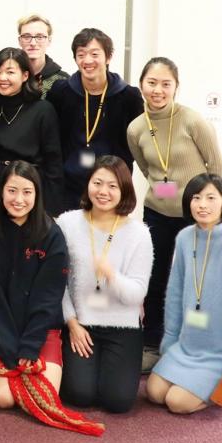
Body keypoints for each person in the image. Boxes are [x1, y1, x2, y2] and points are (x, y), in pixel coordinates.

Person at [127, 57, 222, 370]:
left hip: (195, 216)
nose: (157, 90)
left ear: (175, 87)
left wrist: (201, 203)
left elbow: (216, 169)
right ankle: (152, 344)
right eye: (151, 82)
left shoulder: (193, 121)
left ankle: (193, 344)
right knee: (155, 281)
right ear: (141, 84)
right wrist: (166, 189)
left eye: (165, 84)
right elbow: (147, 170)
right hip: (157, 214)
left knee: (193, 281)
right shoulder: (136, 128)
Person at [148, 174, 222, 415]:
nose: (202, 204)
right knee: (155, 393)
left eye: (211, 198)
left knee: (177, 402)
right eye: (196, 198)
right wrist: (170, 341)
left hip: (220, 352)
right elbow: (175, 294)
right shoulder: (184, 238)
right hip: (188, 345)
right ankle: (194, 379)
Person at [59, 156, 152, 413]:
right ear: (88, 184)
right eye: (97, 183)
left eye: (112, 186)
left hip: (122, 325)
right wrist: (72, 322)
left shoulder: (139, 234)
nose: (103, 191)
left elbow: (136, 294)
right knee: (78, 394)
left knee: (118, 401)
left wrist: (112, 276)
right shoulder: (67, 223)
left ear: (124, 190)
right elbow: (58, 283)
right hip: (81, 324)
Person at [0, 161, 68, 408]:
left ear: (37, 194)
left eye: (27, 192)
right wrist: (8, 347)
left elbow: (49, 297)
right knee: (4, 399)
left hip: (41, 329)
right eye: (12, 190)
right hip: (1, 329)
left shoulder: (52, 234)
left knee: (44, 398)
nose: (19, 199)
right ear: (1, 192)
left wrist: (29, 346)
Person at [46, 28, 144, 214]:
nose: (87, 60)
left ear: (108, 57)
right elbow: (51, 140)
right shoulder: (61, 91)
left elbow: (138, 141)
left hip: (111, 188)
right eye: (81, 54)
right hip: (69, 188)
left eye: (94, 54)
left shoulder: (128, 96)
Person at [0, 48, 63, 228]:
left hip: (28, 193)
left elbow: (54, 162)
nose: (2, 78)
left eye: (10, 72)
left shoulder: (42, 109)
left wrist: (52, 208)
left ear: (25, 75)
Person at [17, 14, 68, 98]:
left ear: (49, 41)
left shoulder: (63, 81)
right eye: (27, 37)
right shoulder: (10, 77)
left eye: (39, 37)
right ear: (20, 41)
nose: (33, 43)